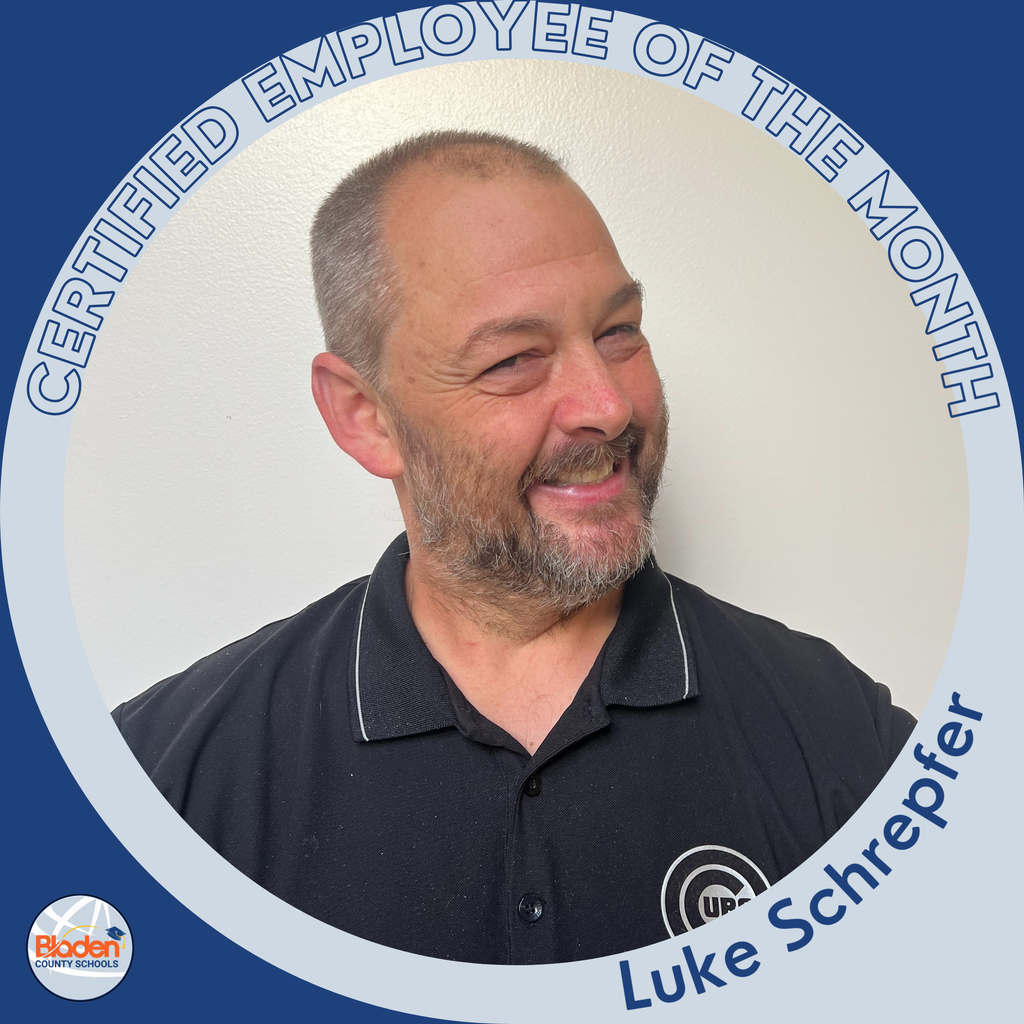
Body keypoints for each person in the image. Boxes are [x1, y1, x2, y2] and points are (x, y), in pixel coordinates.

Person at [114, 130, 915, 965]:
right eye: (514, 359)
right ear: (365, 416)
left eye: (619, 331)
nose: (606, 404)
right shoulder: (157, 782)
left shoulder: (847, 740)